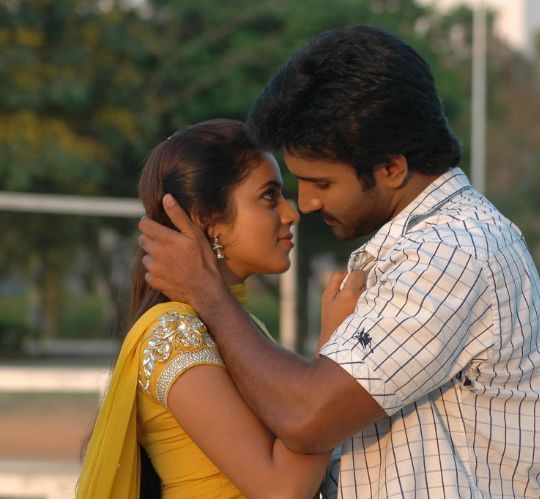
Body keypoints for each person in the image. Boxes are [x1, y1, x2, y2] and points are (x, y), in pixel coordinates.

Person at [138, 26, 540, 498]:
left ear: (391, 168)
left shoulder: (450, 252)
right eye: (278, 192)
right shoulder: (420, 247)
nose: (305, 205)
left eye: (321, 184)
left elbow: (306, 418)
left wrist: (208, 294)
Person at [78, 119, 364, 498]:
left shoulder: (237, 325)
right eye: (269, 196)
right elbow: (282, 489)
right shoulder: (173, 332)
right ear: (208, 220)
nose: (291, 213)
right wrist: (334, 345)